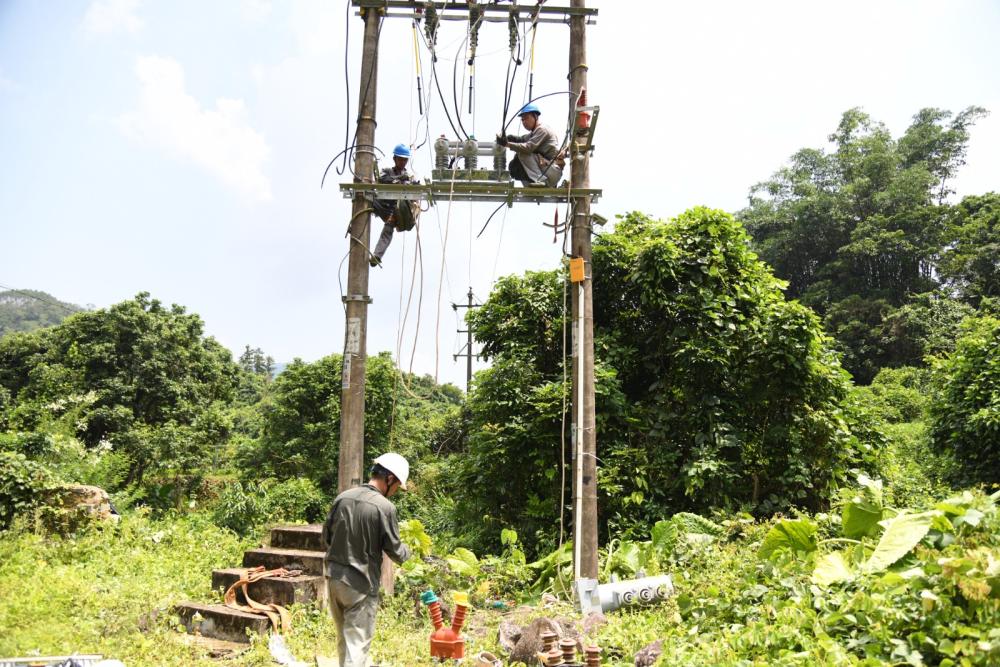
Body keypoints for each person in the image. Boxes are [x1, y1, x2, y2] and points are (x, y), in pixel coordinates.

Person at [322, 453, 411, 667]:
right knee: (357, 646)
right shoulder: (384, 507)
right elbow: (396, 552)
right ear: (389, 479)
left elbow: (326, 536)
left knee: (344, 640)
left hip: (333, 579)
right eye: (397, 485)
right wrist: (410, 552)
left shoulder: (343, 497)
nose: (396, 491)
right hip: (360, 585)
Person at [370, 144, 419, 267]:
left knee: (388, 228)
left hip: (397, 210)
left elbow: (414, 195)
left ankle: (377, 256)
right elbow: (383, 180)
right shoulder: (386, 172)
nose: (403, 162)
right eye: (400, 159)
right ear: (395, 159)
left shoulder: (409, 177)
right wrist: (398, 179)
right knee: (367, 198)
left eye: (405, 160)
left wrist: (413, 186)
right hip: (382, 205)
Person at [497, 103, 565, 188]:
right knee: (515, 165)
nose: (524, 122)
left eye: (526, 118)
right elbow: (521, 139)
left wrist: (507, 144)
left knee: (523, 153)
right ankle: (535, 183)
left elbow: (528, 148)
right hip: (546, 170)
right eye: (522, 120)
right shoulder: (534, 133)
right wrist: (508, 138)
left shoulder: (542, 130)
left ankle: (541, 181)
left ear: (535, 117)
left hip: (552, 171)